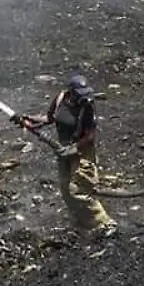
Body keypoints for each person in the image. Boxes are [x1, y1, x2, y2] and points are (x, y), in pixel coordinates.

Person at [15, 74, 117, 238]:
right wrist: (27, 119)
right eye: (78, 93)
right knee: (65, 190)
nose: (82, 96)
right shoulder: (61, 98)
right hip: (62, 149)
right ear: (71, 91)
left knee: (79, 189)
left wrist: (74, 148)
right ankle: (82, 223)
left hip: (82, 151)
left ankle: (105, 223)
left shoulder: (87, 107)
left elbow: (90, 136)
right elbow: (48, 118)